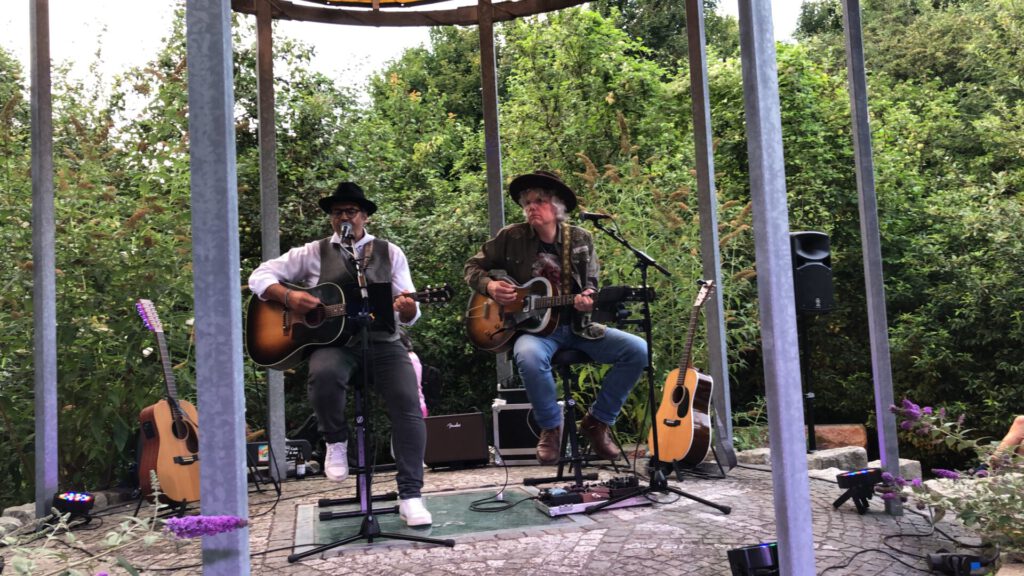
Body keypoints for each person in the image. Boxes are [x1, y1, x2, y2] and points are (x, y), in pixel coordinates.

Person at [248, 181, 432, 526]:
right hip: (334, 345)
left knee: (408, 405)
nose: (343, 217)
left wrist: (408, 309)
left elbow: (410, 308)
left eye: (350, 211)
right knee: (324, 375)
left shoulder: (389, 252)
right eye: (337, 212)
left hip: (382, 343)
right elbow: (261, 275)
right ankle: (335, 441)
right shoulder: (312, 252)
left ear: (364, 216)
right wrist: (290, 298)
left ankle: (411, 495)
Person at [464, 170, 648, 465]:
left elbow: (591, 286)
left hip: (578, 328)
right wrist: (491, 286)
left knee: (638, 350)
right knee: (527, 356)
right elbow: (472, 267)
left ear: (557, 207)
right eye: (527, 203)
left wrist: (588, 301)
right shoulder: (511, 237)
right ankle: (551, 428)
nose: (531, 207)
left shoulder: (580, 238)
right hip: (534, 332)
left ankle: (597, 423)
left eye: (539, 201)